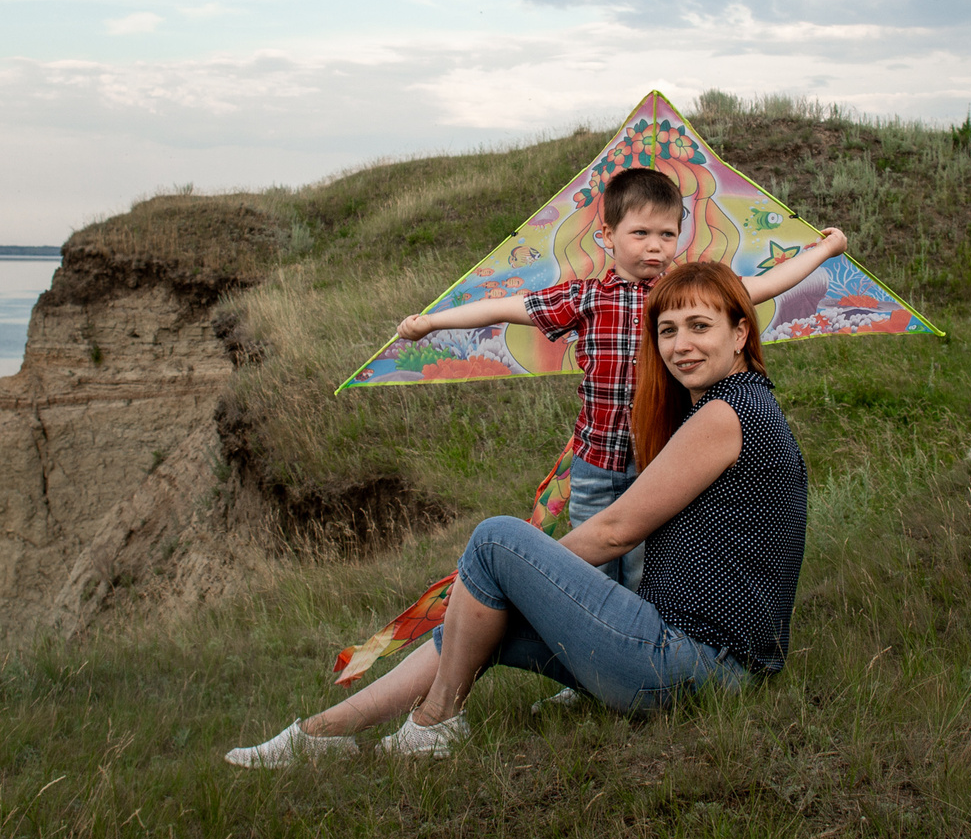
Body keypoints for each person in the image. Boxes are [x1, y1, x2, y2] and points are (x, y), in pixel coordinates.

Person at [226, 259, 808, 765]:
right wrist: (499, 592)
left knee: (496, 541)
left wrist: (518, 574)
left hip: (693, 664)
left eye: (700, 326)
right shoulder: (737, 405)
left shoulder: (726, 413)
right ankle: (320, 735)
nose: (680, 345)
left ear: (740, 332)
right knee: (476, 626)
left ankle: (434, 724)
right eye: (667, 330)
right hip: (709, 664)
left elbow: (615, 532)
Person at [393, 164, 838, 582]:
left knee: (646, 574)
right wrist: (432, 322)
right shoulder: (585, 298)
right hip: (596, 463)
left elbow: (764, 285)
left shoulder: (682, 297)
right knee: (588, 573)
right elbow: (507, 307)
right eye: (640, 233)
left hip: (660, 459)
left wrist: (825, 250)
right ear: (608, 235)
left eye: (667, 234)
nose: (655, 246)